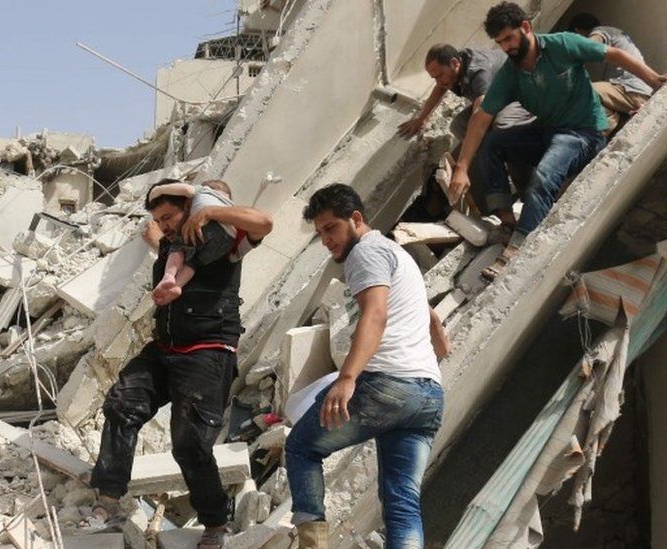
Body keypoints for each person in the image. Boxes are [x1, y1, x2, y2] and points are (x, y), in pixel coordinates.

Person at [86, 179, 273, 549]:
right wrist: (157, 236)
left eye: (169, 216)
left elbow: (264, 221)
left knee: (189, 444)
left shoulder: (229, 240)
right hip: (165, 347)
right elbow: (173, 258)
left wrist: (210, 211)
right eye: (161, 219)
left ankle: (215, 522)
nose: (166, 224)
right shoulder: (174, 244)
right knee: (122, 405)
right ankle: (108, 500)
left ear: (191, 210)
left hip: (207, 351)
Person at [449, 2, 665, 282]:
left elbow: (613, 54)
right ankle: (508, 222)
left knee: (544, 175)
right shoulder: (510, 74)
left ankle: (517, 248)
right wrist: (462, 168)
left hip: (583, 133)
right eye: (500, 43)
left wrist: (654, 79)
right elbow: (481, 118)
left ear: (525, 27)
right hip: (547, 130)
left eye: (509, 39)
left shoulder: (563, 44)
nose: (506, 47)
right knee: (492, 144)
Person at [285, 184, 450, 549]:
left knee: (301, 448)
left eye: (331, 228)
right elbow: (438, 331)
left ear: (356, 219)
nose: (326, 240)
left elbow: (374, 314)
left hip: (387, 386)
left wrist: (347, 378)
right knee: (402, 503)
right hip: (427, 396)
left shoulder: (367, 253)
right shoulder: (398, 255)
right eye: (320, 234)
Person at [398, 43, 535, 215]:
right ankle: (494, 160)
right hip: (497, 100)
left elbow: (480, 116)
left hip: (520, 96)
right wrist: (422, 118)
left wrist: (462, 168)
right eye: (434, 77)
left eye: (439, 75)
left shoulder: (479, 73)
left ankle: (521, 181)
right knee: (459, 125)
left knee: (502, 128)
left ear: (455, 63)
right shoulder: (456, 66)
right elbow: (440, 88)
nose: (439, 81)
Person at [151, 179, 237, 306]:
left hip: (208, 231)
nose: (162, 226)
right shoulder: (230, 209)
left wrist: (158, 190)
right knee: (194, 261)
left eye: (166, 218)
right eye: (158, 221)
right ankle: (177, 285)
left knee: (179, 246)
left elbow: (187, 190)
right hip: (228, 240)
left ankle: (169, 276)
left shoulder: (201, 194)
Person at [568, 13, 655, 133]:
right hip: (637, 92)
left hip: (630, 90)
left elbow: (589, 45)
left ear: (578, 31)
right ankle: (617, 121)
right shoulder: (615, 33)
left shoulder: (601, 30)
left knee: (585, 91)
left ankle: (609, 126)